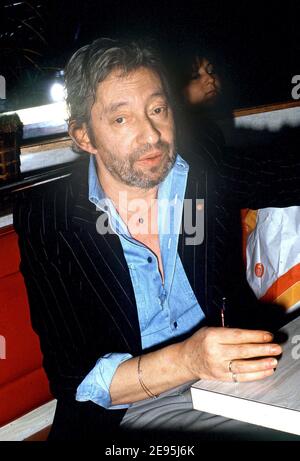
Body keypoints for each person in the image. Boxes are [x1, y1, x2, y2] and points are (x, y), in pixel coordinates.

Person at [13, 38, 300, 442]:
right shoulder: (49, 218)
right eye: (121, 119)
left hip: (235, 383)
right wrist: (188, 359)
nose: (151, 134)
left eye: (157, 110)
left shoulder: (200, 174)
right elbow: (74, 378)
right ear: (84, 136)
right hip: (126, 413)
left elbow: (288, 175)